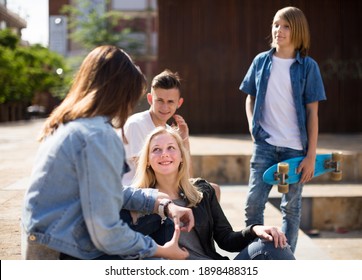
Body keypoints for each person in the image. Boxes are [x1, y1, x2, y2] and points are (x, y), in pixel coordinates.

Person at [21, 45, 195, 260]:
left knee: (160, 219)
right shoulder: (98, 135)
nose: (131, 106)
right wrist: (160, 250)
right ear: (120, 94)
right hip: (63, 251)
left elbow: (107, 190)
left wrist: (161, 203)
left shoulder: (73, 126)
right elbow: (106, 232)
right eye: (132, 97)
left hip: (47, 244)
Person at [123, 126, 296, 260]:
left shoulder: (202, 191)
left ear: (181, 156)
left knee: (273, 244)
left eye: (170, 148)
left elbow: (226, 239)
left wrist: (255, 229)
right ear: (147, 161)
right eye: (156, 150)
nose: (164, 154)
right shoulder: (140, 202)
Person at [239, 6, 326, 253]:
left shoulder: (309, 67)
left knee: (291, 207)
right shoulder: (260, 61)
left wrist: (311, 155)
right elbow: (250, 97)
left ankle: (285, 258)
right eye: (276, 24)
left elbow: (312, 112)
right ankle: (254, 254)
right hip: (264, 145)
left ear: (297, 31)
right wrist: (251, 125)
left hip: (295, 149)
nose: (279, 30)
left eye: (286, 26)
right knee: (253, 204)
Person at [119, 69, 221, 201]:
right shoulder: (136, 124)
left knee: (213, 190)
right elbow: (145, 173)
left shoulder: (168, 131)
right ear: (150, 99)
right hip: (139, 192)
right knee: (200, 196)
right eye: (160, 100)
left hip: (163, 187)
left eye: (170, 102)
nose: (165, 107)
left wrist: (184, 140)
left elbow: (187, 176)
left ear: (179, 103)